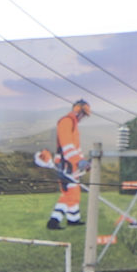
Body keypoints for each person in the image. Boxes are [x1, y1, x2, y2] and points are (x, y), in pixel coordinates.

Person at [36, 99, 89, 231]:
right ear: (77, 109)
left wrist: (83, 162)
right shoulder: (66, 121)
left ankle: (73, 220)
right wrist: (77, 161)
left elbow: (76, 147)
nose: (83, 117)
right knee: (69, 193)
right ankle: (53, 221)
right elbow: (67, 145)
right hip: (66, 165)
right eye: (83, 113)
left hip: (73, 165)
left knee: (73, 192)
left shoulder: (74, 124)